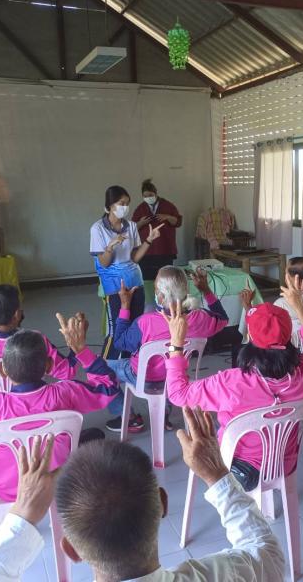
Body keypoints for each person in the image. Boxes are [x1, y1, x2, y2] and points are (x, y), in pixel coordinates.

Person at [0, 406, 285, 582]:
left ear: (71, 549)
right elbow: (265, 551)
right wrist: (217, 475)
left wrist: (21, 516)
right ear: (162, 504)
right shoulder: (227, 575)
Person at [0, 315, 118, 509]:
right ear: (48, 366)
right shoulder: (65, 393)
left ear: (2, 370)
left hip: (2, 490)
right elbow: (109, 387)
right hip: (55, 482)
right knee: (93, 436)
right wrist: (81, 350)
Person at [164, 272, 303, 491]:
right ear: (289, 334)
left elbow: (178, 394)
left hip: (237, 468)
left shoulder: (231, 382)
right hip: (284, 463)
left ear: (250, 335)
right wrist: (300, 308)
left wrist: (176, 344)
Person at [104, 266, 229, 434]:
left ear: (161, 297)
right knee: (167, 367)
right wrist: (206, 290)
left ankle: (129, 418)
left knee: (101, 369)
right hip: (176, 377)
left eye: (156, 289)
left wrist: (125, 306)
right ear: (186, 292)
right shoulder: (200, 318)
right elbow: (223, 318)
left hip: (142, 377)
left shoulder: (145, 322)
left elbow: (119, 342)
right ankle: (163, 412)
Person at [90, 185, 164, 360]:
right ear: (110, 205)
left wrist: (149, 240)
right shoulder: (98, 229)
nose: (125, 207)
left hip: (135, 282)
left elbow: (135, 258)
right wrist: (110, 247)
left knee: (135, 325)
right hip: (114, 287)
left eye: (127, 203)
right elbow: (104, 263)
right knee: (116, 329)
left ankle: (132, 362)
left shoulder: (131, 226)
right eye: (121, 203)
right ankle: (108, 365)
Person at [132, 179, 183, 280]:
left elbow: (178, 222)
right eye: (145, 196)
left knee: (166, 279)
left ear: (155, 193)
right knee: (147, 279)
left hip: (165, 250)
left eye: (150, 195)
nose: (148, 198)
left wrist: (167, 217)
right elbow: (133, 228)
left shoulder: (168, 205)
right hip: (146, 251)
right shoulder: (140, 208)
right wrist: (141, 223)